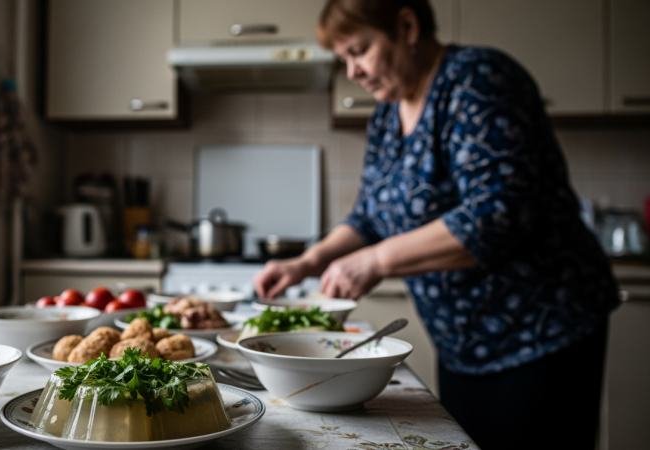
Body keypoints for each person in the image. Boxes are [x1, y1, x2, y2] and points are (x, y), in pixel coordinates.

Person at [253, 1, 619, 449]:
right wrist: (307, 262)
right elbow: (370, 216)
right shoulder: (387, 116)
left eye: (360, 50)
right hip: (462, 342)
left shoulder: (478, 79)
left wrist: (378, 260)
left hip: (540, 333)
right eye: (344, 58)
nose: (353, 71)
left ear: (406, 26)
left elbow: (496, 214)